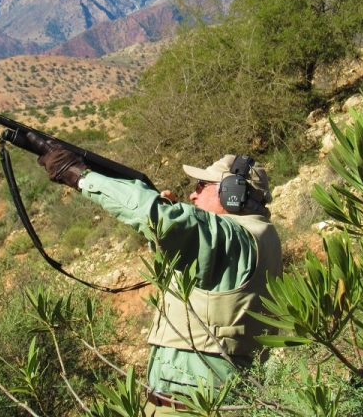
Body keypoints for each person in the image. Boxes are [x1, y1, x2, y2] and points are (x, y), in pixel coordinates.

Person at [36, 147, 282, 415]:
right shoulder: (256, 237)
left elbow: (160, 217)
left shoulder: (234, 236)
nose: (193, 194)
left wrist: (79, 176)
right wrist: (168, 236)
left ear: (232, 193)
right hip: (194, 403)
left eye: (203, 186)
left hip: (195, 408)